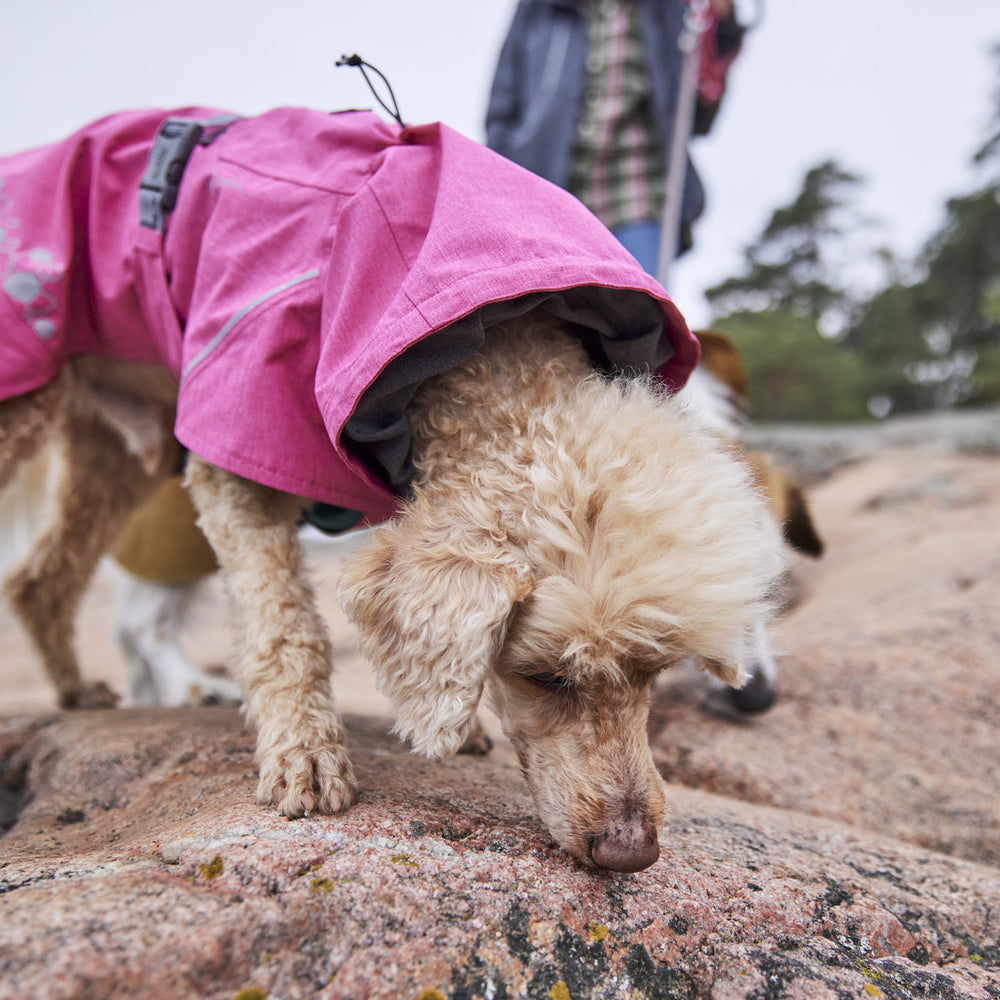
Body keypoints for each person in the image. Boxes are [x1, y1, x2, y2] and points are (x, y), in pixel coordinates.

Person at [486, 0, 744, 276]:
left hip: (638, 195)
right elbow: (501, 108)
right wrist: (500, 191)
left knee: (638, 311)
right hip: (545, 200)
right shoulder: (540, 7)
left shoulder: (669, 9)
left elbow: (697, 116)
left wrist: (722, 24)